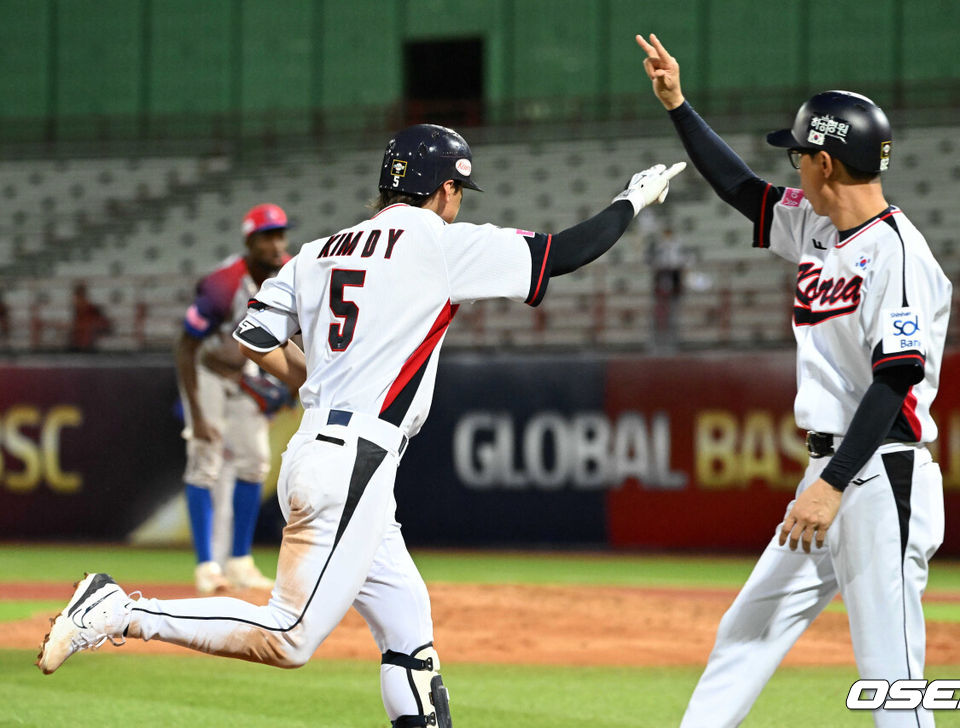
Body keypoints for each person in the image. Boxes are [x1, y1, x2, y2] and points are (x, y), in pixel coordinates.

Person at [37, 123, 685, 727]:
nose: (458, 201)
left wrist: (310, 382)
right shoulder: (439, 241)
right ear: (446, 188)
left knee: (407, 635)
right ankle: (119, 611)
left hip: (324, 449)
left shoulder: (316, 251)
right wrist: (629, 201)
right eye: (458, 190)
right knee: (288, 637)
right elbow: (564, 253)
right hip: (355, 458)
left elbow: (255, 332)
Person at [637, 34, 951, 728]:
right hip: (834, 476)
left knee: (891, 676)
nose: (794, 164)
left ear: (826, 161)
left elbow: (894, 382)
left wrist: (833, 486)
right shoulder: (817, 225)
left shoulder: (896, 253)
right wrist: (679, 106)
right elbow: (743, 191)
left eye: (799, 153)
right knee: (746, 631)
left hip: (877, 474)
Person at [174, 203, 291, 594]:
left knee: (256, 462)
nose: (276, 243)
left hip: (245, 373)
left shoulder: (289, 273)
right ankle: (207, 567)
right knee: (204, 462)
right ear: (249, 242)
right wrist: (197, 415)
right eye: (266, 236)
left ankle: (239, 561)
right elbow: (185, 347)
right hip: (208, 371)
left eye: (280, 234)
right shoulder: (224, 284)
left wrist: (287, 387)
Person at [68, 282, 112, 351]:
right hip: (77, 346)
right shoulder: (78, 310)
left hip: (88, 346)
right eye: (76, 297)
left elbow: (107, 325)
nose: (76, 300)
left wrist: (92, 328)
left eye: (79, 297)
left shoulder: (92, 309)